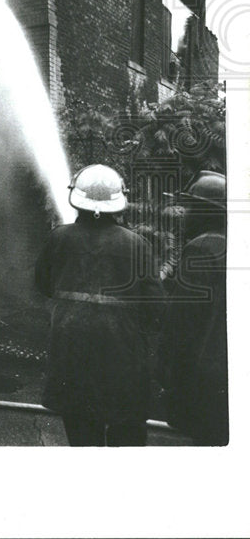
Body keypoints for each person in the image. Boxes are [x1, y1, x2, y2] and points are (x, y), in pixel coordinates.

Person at [34, 164, 163, 446]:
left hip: (70, 354)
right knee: (126, 440)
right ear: (118, 201)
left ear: (76, 197)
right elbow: (155, 306)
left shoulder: (58, 238)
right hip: (123, 358)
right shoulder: (137, 245)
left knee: (83, 438)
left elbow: (43, 285)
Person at [161, 170, 228, 445]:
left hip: (205, 380)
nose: (184, 214)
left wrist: (165, 371)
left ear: (205, 212)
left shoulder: (202, 248)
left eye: (189, 208)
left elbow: (181, 322)